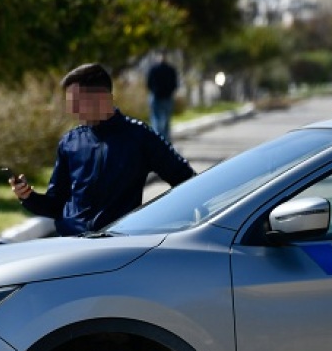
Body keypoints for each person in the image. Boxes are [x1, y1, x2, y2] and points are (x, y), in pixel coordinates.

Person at [11, 63, 195, 236]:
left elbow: (188, 182)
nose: (72, 110)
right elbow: (56, 205)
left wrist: (156, 222)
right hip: (68, 245)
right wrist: (28, 197)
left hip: (115, 249)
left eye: (77, 102)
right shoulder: (70, 142)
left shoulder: (139, 137)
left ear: (102, 98)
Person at [146, 52, 180, 142]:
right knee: (165, 120)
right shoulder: (170, 69)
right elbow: (175, 84)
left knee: (156, 120)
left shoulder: (153, 69)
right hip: (166, 97)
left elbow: (148, 83)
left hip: (156, 96)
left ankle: (157, 139)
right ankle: (165, 140)